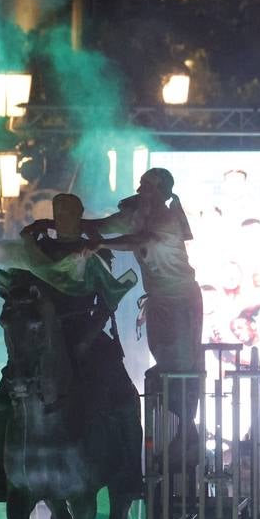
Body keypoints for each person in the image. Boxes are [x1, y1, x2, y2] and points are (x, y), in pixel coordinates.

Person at [0, 192, 141, 502]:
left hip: (86, 333)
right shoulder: (38, 250)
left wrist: (87, 337)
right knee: (5, 397)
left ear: (78, 213)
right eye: (58, 211)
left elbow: (106, 300)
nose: (63, 216)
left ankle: (132, 472)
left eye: (69, 210)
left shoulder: (92, 255)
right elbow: (16, 285)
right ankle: (3, 476)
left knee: (126, 396)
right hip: (39, 338)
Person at [84, 168, 203, 457]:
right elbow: (103, 225)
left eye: (147, 186)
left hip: (181, 301)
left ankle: (187, 431)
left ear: (161, 191)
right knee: (163, 360)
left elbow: (140, 241)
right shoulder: (137, 215)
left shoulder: (167, 217)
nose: (140, 191)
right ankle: (180, 430)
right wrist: (66, 225)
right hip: (160, 301)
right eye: (141, 185)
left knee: (181, 366)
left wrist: (101, 242)